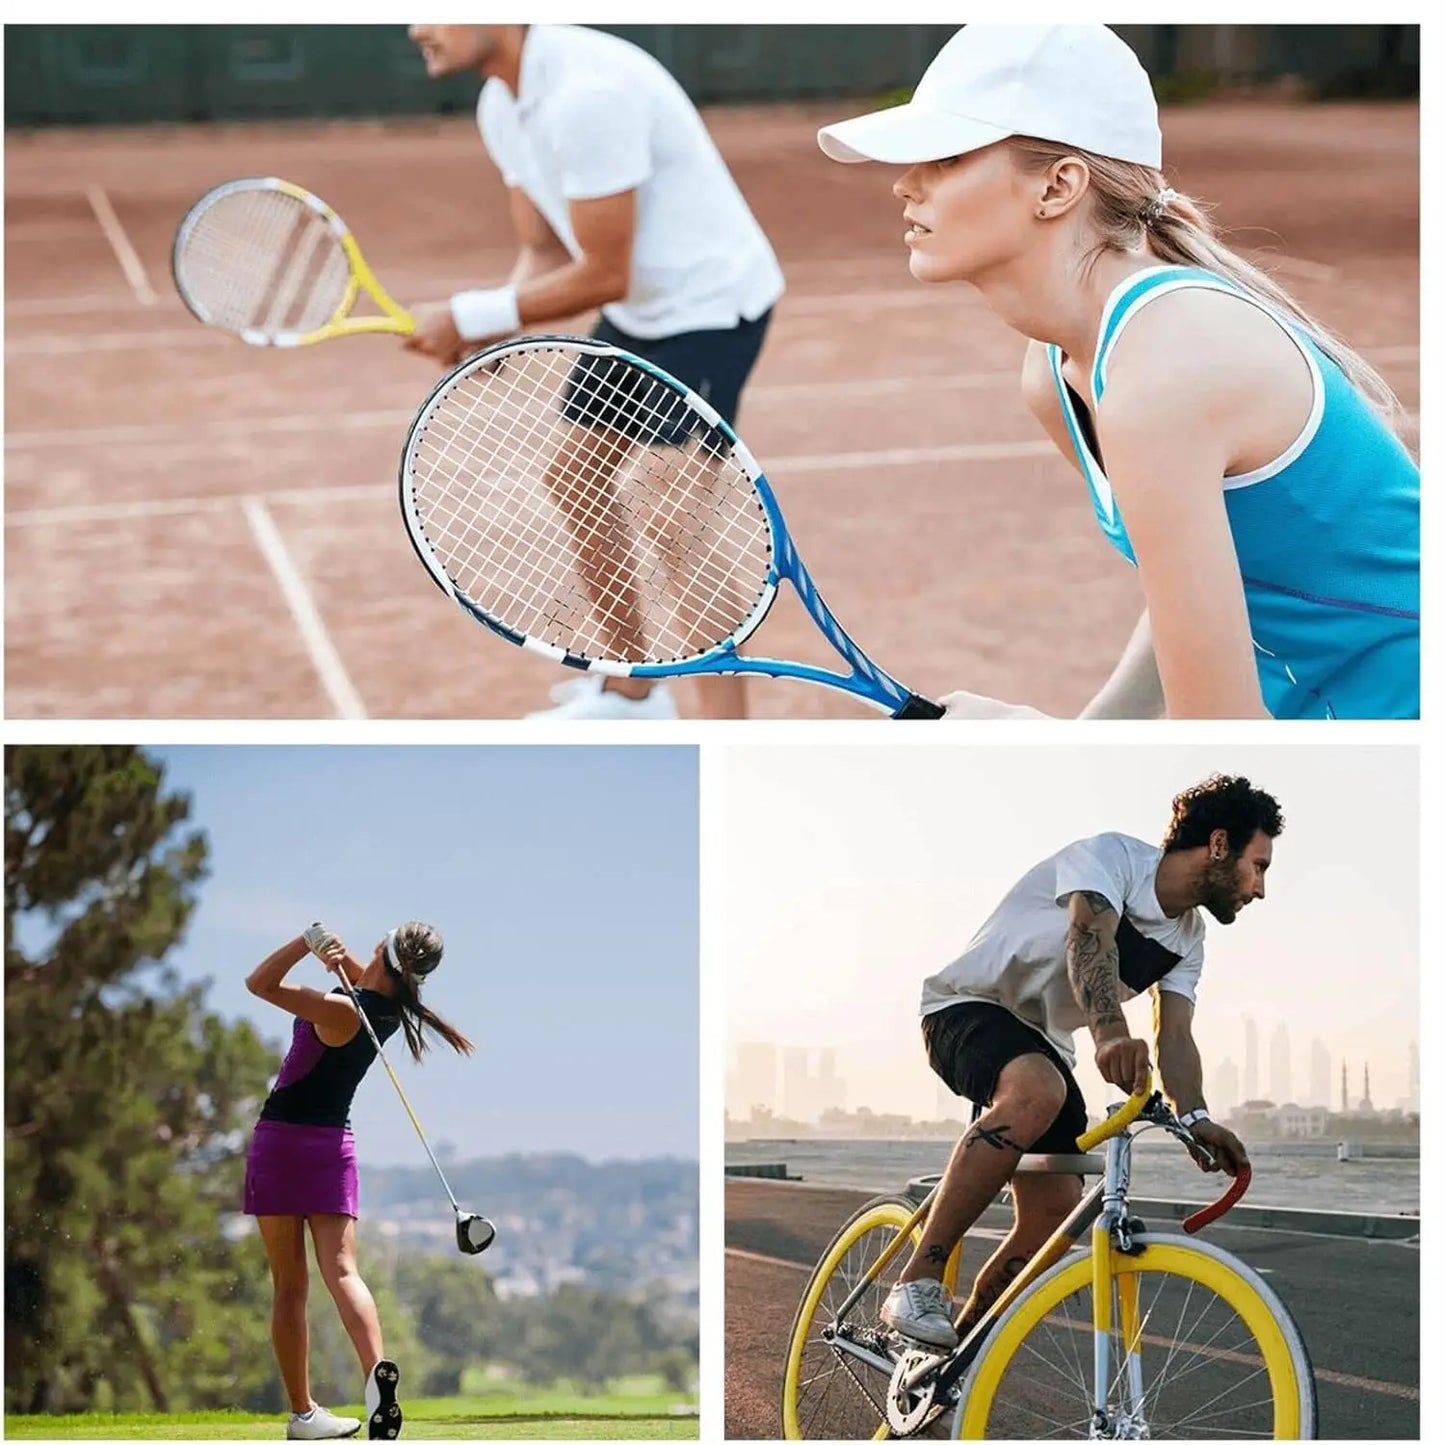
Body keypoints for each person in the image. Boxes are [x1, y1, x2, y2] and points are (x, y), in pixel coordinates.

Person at [818, 25, 1419, 721]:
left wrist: (1052, 749)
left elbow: (1219, 737)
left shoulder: (1163, 371)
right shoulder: (1056, 371)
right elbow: (1192, 585)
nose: (904, 183)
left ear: (1058, 186)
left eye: (946, 157)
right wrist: (1083, 735)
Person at [406, 24, 785, 720]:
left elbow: (606, 273)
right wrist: (490, 322)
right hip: (642, 309)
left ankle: (728, 737)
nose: (415, 28)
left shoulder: (588, 94)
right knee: (574, 476)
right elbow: (547, 249)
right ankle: (631, 693)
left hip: (710, 304)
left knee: (671, 515)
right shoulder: (501, 104)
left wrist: (472, 314)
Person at [881, 773, 1270, 1348]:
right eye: (1258, 867)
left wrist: (1196, 1118)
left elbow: (1175, 1037)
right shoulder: (1113, 858)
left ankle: (951, 1361)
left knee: (1056, 1213)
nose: (1259, 889)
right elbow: (1090, 938)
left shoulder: (1189, 939)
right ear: (1218, 845)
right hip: (965, 1007)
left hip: (1044, 1045)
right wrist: (1109, 1035)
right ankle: (917, 1282)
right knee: (1038, 1091)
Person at [244, 922, 473, 1440]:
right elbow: (370, 979)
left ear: (384, 950)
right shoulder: (387, 1009)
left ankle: (304, 1414)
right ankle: (375, 1373)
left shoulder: (342, 1010)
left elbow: (258, 984)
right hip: (333, 1150)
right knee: (344, 1271)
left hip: (281, 1145)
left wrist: (303, 942)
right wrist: (337, 959)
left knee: (290, 1286)